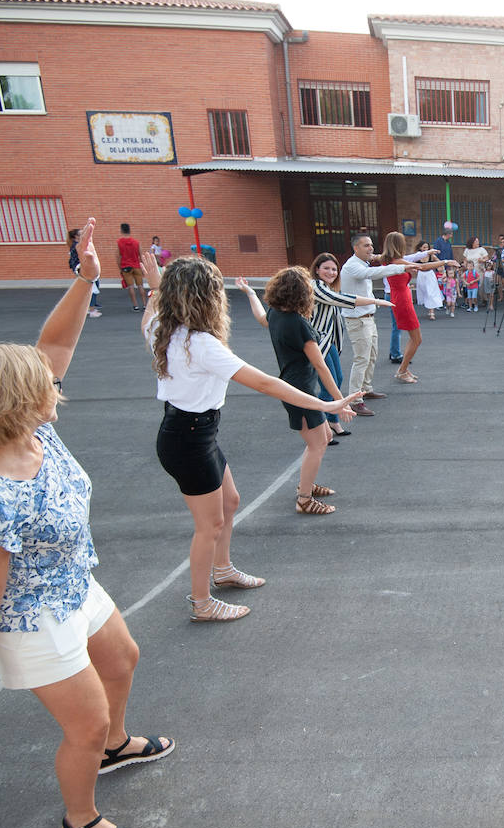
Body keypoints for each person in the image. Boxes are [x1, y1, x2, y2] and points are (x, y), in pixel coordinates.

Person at [0, 219, 168, 828]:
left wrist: (84, 279)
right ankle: (80, 822)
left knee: (123, 659)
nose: (57, 384)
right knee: (85, 720)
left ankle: (114, 746)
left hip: (74, 582)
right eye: (43, 383)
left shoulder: (36, 433)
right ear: (18, 400)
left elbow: (52, 342)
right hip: (29, 617)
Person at [141, 252, 354, 620]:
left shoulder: (164, 329)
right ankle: (202, 602)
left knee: (230, 502)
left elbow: (150, 315)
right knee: (209, 525)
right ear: (207, 298)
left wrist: (157, 288)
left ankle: (222, 571)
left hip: (193, 433)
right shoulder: (201, 344)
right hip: (189, 438)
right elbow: (266, 382)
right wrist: (330, 406)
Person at [236, 269, 360, 515]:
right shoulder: (298, 323)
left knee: (323, 437)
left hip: (296, 389)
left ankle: (307, 483)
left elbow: (261, 317)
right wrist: (339, 401)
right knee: (317, 444)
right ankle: (304, 499)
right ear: (302, 294)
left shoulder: (276, 314)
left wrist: (250, 292)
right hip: (300, 392)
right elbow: (320, 365)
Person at [301, 252, 391, 439]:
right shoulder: (316, 287)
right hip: (317, 344)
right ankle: (322, 426)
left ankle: (332, 420)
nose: (331, 272)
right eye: (326, 268)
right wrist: (375, 300)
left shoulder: (327, 287)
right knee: (328, 385)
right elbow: (343, 300)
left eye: (334, 269)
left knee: (337, 379)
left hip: (329, 342)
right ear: (317, 269)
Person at [338, 233, 418, 416]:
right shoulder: (352, 267)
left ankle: (365, 390)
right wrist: (399, 268)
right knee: (361, 359)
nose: (370, 248)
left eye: (371, 245)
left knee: (372, 356)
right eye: (366, 245)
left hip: (367, 317)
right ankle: (355, 400)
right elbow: (373, 273)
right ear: (355, 248)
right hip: (357, 320)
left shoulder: (362, 263)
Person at [384, 232, 453, 383]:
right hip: (402, 301)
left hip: (402, 298)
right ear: (398, 245)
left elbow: (413, 259)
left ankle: (403, 368)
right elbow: (423, 266)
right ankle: (401, 370)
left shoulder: (389, 259)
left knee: (414, 338)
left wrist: (428, 253)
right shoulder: (396, 262)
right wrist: (446, 261)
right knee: (416, 339)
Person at [69, 227, 101, 318]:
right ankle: (91, 310)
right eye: (81, 234)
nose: (84, 235)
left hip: (81, 268)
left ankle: (87, 307)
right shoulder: (78, 246)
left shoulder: (76, 245)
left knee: (89, 288)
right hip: (83, 269)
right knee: (93, 288)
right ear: (76, 236)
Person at [116, 223, 144, 311]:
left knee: (131, 286)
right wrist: (142, 266)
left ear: (121, 230)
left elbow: (118, 256)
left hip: (126, 266)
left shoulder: (119, 242)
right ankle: (144, 304)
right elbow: (141, 255)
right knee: (140, 286)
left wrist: (120, 268)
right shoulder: (136, 242)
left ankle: (135, 306)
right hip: (136, 265)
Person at [414, 240, 443, 320]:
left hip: (430, 274)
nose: (426, 249)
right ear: (420, 248)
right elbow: (412, 262)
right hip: (421, 275)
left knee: (431, 292)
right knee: (425, 292)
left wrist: (440, 268)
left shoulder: (431, 255)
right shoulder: (418, 255)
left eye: (427, 247)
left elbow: (438, 261)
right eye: (424, 247)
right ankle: (429, 309)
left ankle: (432, 312)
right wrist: (414, 269)